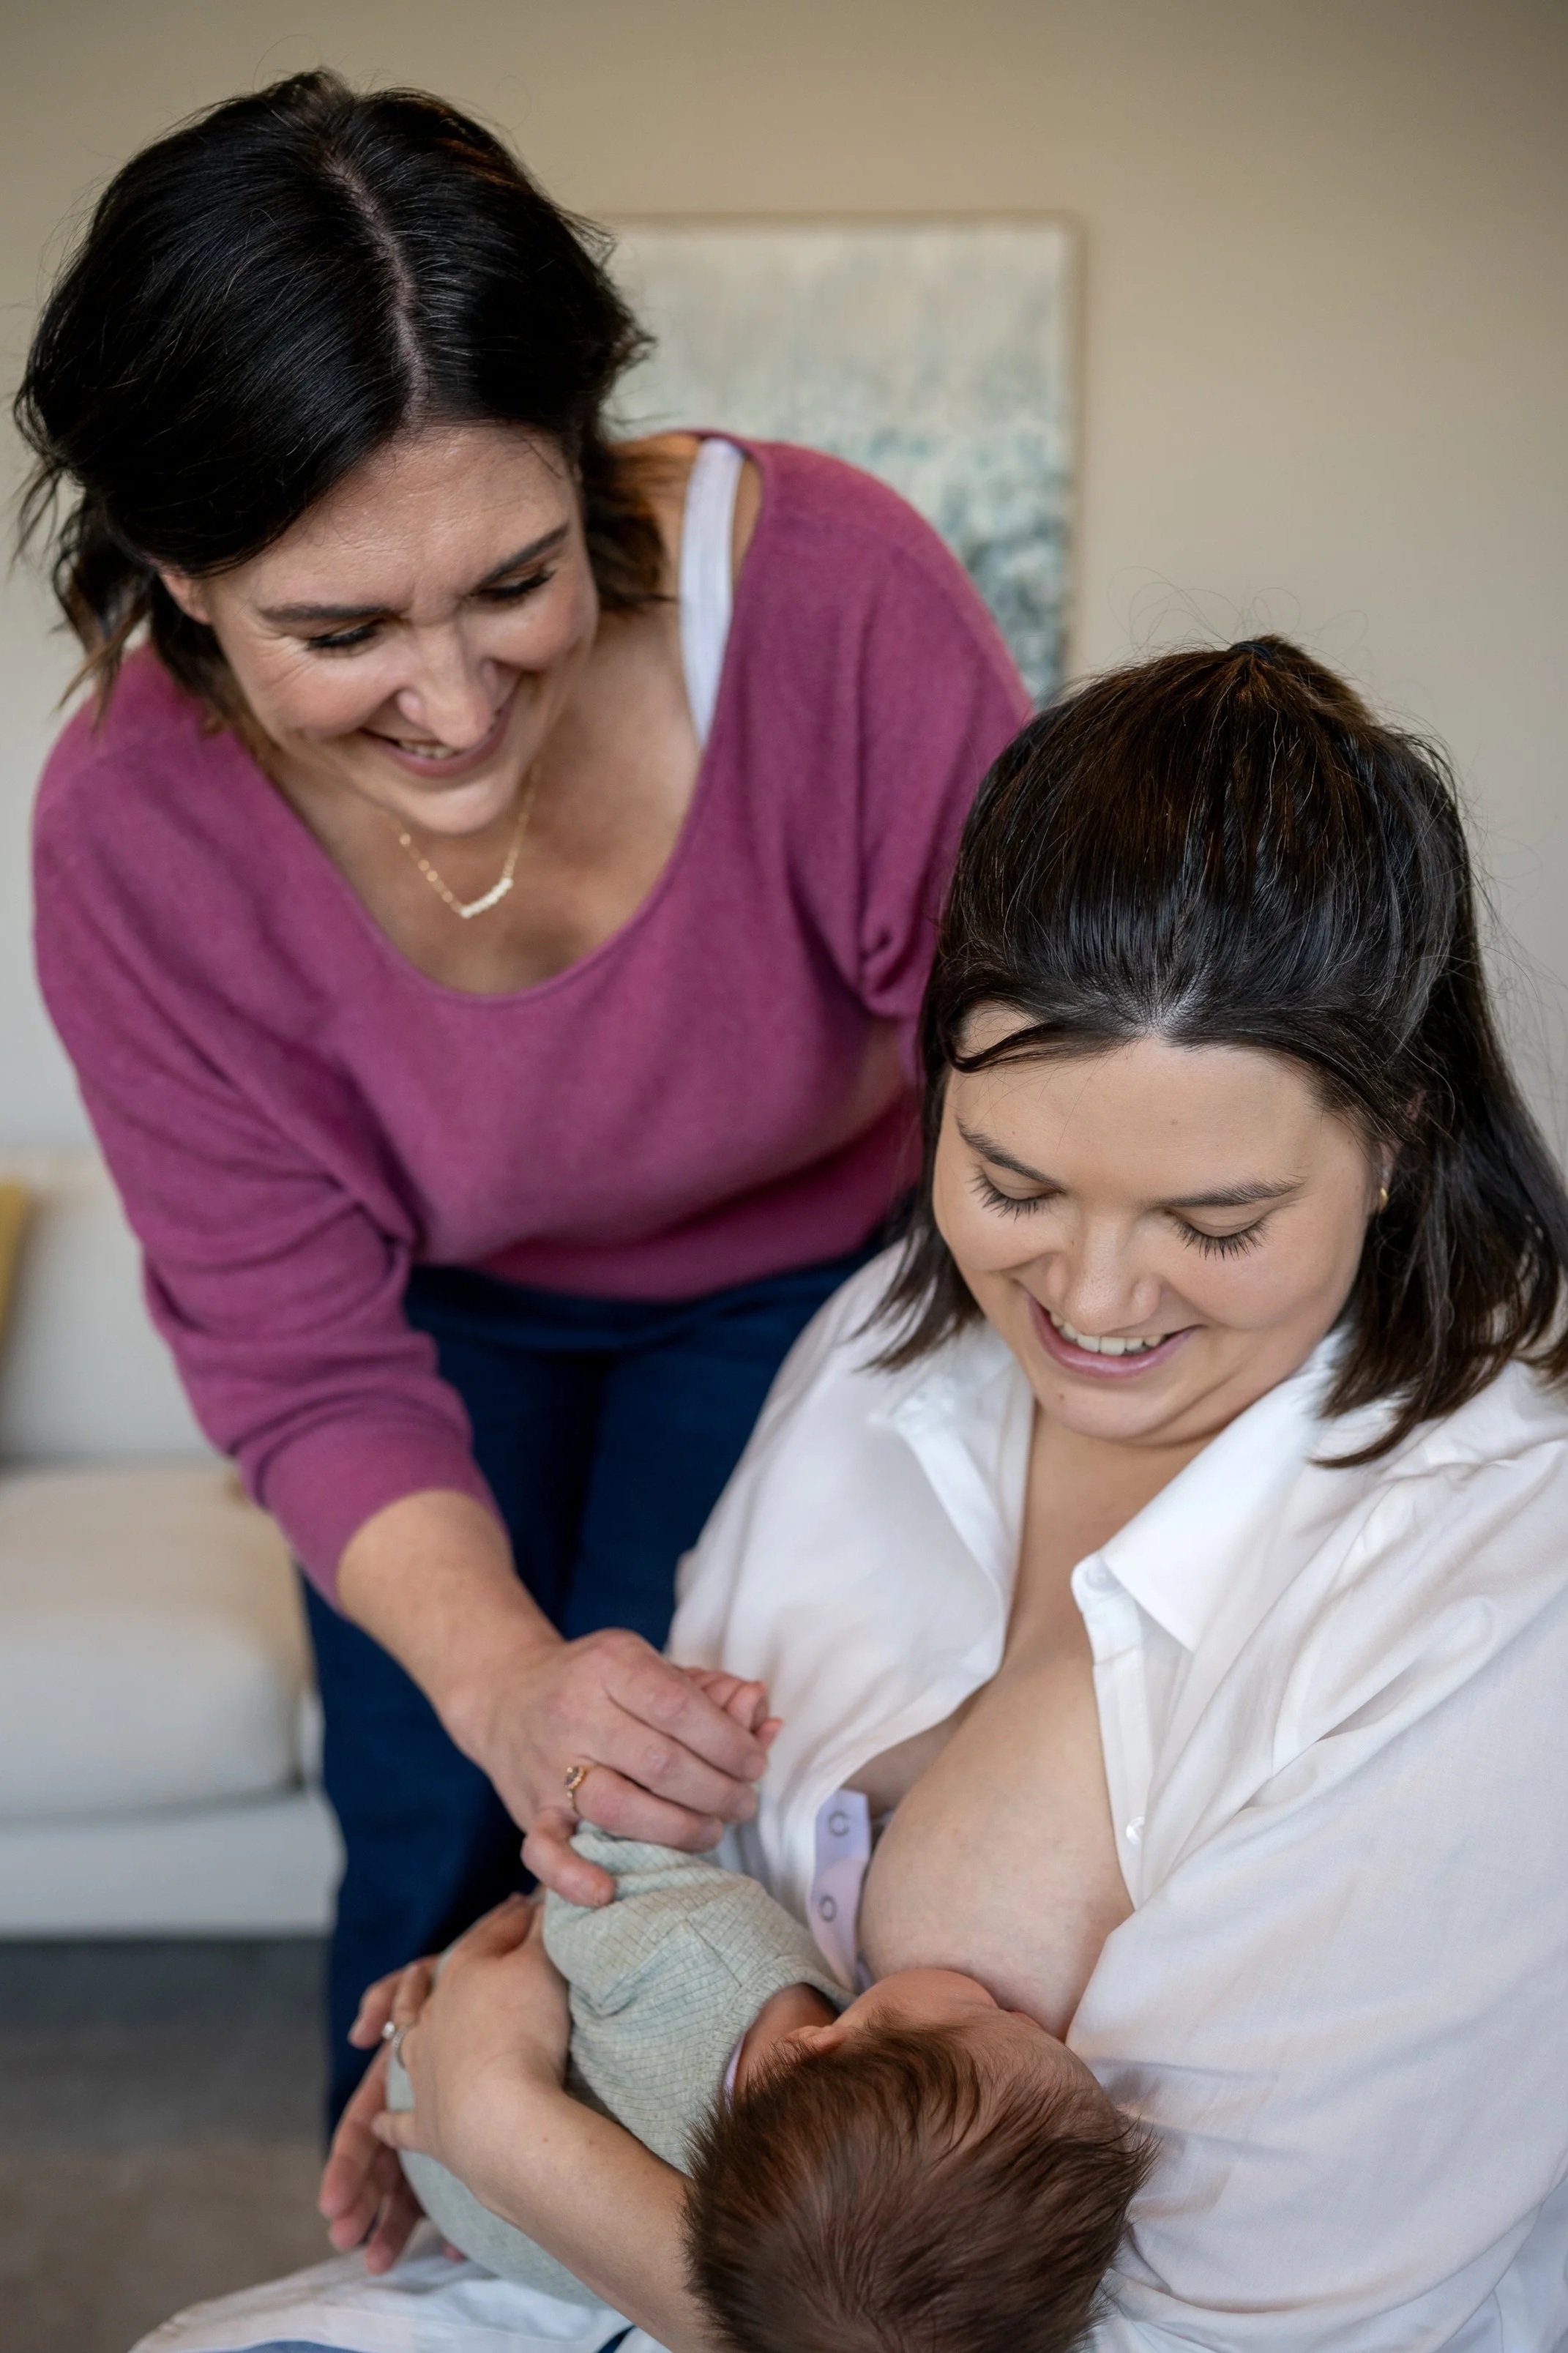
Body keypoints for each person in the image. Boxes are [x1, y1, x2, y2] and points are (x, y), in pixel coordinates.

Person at [332, 640, 1568, 2353]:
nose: (1097, 1300)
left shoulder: (1499, 1599)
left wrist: (524, 2145)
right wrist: (549, 1970)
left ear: (1403, 1139)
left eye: (1215, 1225)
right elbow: (695, 1843)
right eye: (1012, 1181)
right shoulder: (889, 1351)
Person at [17, 72, 1028, 2114]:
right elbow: (295, 1345)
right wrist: (490, 1677)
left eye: (509, 580)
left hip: (811, 1278)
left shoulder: (830, 599)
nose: (456, 701)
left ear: (586, 465)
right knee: (430, 1824)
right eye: (338, 627)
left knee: (694, 1816)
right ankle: (408, 2272)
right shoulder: (131, 828)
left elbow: (1027, 1092)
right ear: (175, 572)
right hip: (430, 1317)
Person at [386, 1692, 1144, 2353]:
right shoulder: (775, 2248)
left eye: (992, 2013)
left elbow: (588, 1870)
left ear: (817, 2048)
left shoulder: (704, 1949)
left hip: (437, 2062)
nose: (1016, 2004)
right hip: (466, 2188)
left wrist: (664, 1780)